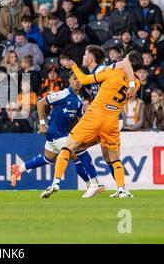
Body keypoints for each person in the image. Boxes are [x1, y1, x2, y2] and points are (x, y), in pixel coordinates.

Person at [43, 51, 143, 199]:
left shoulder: (111, 72)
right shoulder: (137, 85)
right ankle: (122, 189)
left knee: (68, 147)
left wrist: (75, 67)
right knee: (114, 158)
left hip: (95, 116)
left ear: (128, 62)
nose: (122, 60)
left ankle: (56, 182)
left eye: (125, 58)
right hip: (112, 121)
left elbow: (83, 79)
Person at [10, 71, 102, 194]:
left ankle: (19, 169)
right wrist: (42, 124)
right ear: (69, 80)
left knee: (47, 159)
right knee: (78, 155)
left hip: (59, 135)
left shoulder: (78, 100)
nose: (78, 81)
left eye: (80, 79)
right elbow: (40, 103)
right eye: (75, 78)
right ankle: (91, 184)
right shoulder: (62, 94)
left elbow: (81, 120)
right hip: (56, 134)